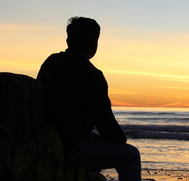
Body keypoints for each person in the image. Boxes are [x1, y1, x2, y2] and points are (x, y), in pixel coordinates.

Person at [37, 17, 141, 181]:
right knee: (131, 155)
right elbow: (106, 123)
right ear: (93, 44)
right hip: (70, 146)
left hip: (47, 139)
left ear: (68, 40)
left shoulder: (52, 62)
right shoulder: (92, 75)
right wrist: (120, 140)